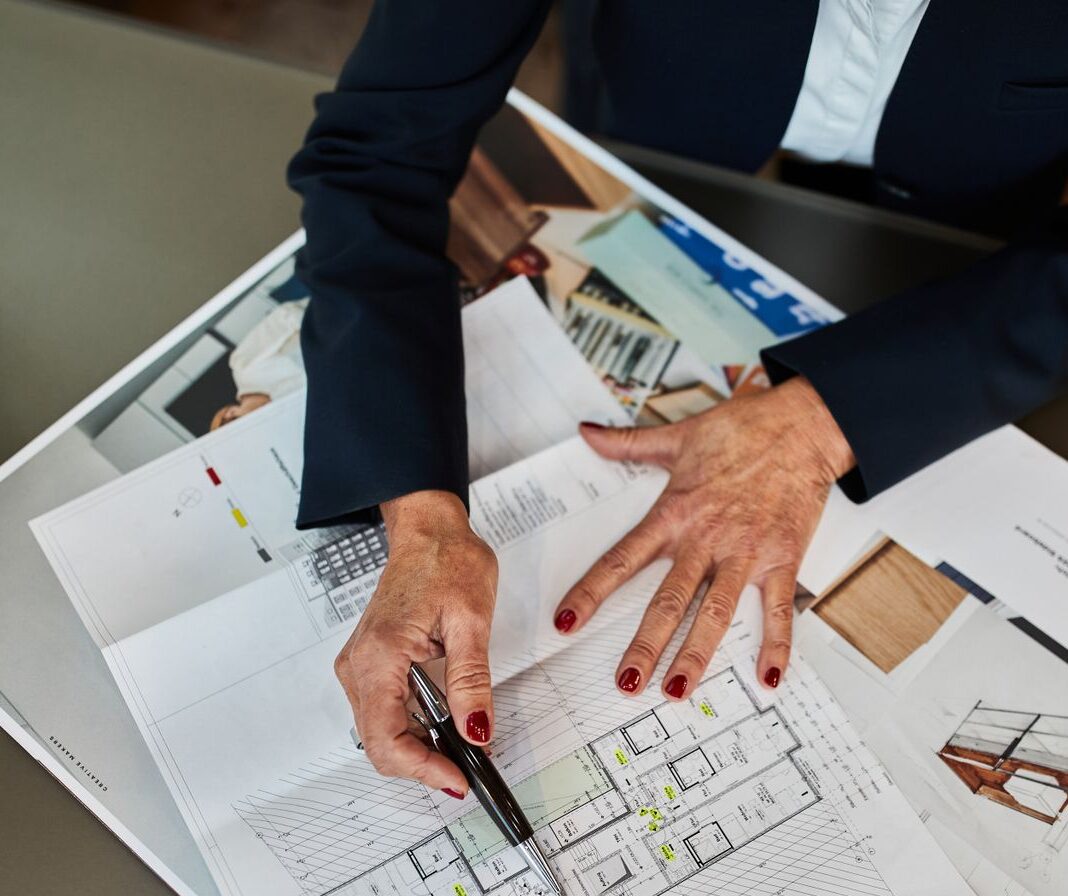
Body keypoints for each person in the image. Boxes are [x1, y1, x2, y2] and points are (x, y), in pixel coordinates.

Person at [286, 2, 1068, 798]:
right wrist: (422, 520)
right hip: (659, 139)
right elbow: (375, 152)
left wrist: (827, 415)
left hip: (973, 247)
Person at [210, 298, 309, 431]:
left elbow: (286, 315)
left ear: (231, 412)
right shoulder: (287, 414)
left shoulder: (244, 367)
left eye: (248, 423)